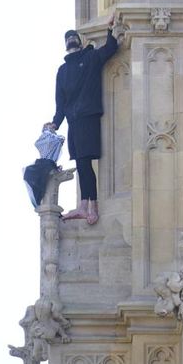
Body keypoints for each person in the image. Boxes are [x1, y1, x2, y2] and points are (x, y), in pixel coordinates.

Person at [44, 12, 118, 224]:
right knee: (81, 163)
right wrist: (54, 124)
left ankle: (90, 206)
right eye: (68, 38)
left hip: (87, 117)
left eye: (72, 37)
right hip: (74, 121)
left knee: (85, 162)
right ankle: (84, 205)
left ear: (77, 41)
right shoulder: (63, 70)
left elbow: (111, 49)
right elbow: (60, 105)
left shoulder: (90, 58)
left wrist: (110, 29)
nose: (70, 40)